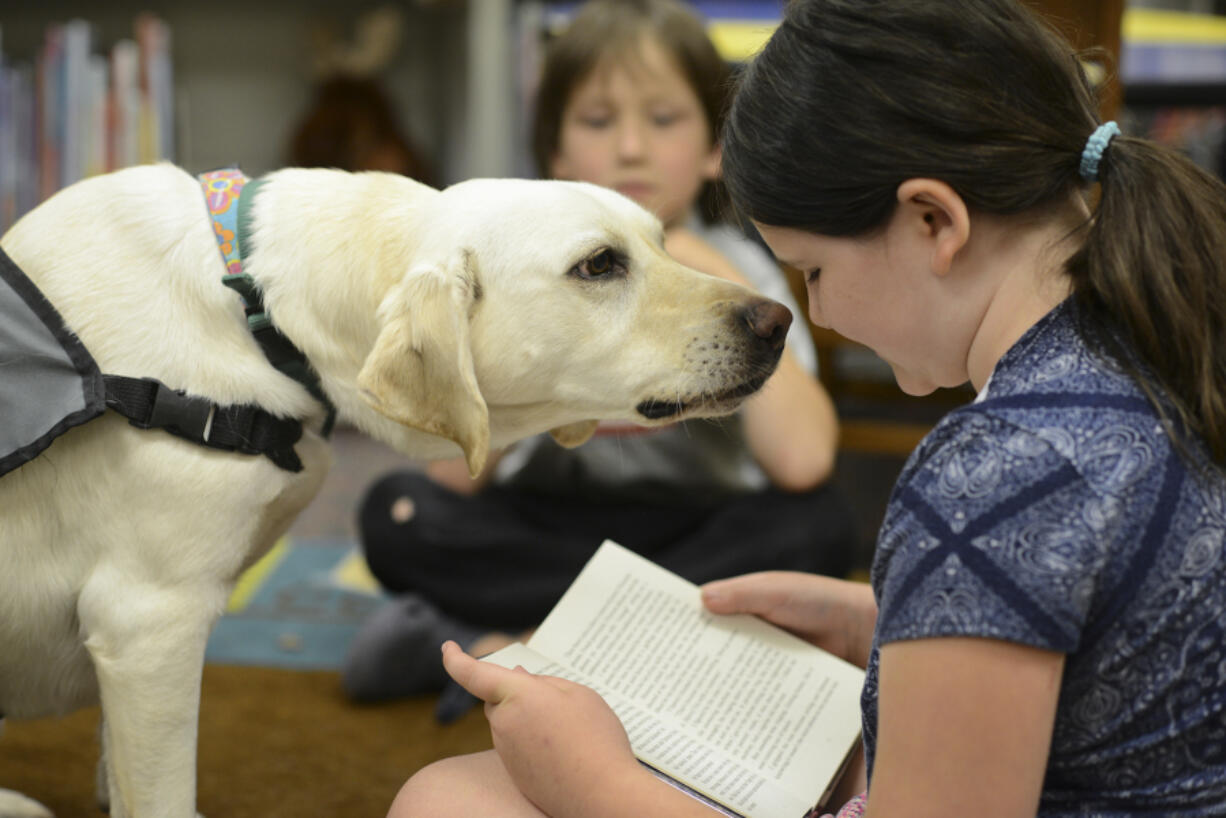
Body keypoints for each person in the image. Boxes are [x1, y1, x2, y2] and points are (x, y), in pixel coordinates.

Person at [386, 0, 1226, 815]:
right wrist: (884, 622)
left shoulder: (992, 476)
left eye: (813, 273)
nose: (815, 314)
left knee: (446, 800)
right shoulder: (1168, 342)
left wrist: (597, 781)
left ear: (934, 220)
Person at [340, 0, 853, 722]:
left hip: (691, 530)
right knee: (393, 512)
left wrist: (694, 266)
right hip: (548, 524)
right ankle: (622, 653)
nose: (632, 149)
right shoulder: (524, 268)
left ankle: (489, 646)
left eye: (664, 119)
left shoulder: (740, 268)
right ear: (556, 158)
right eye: (598, 121)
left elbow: (803, 461)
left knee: (820, 525)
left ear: (716, 148)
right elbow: (452, 471)